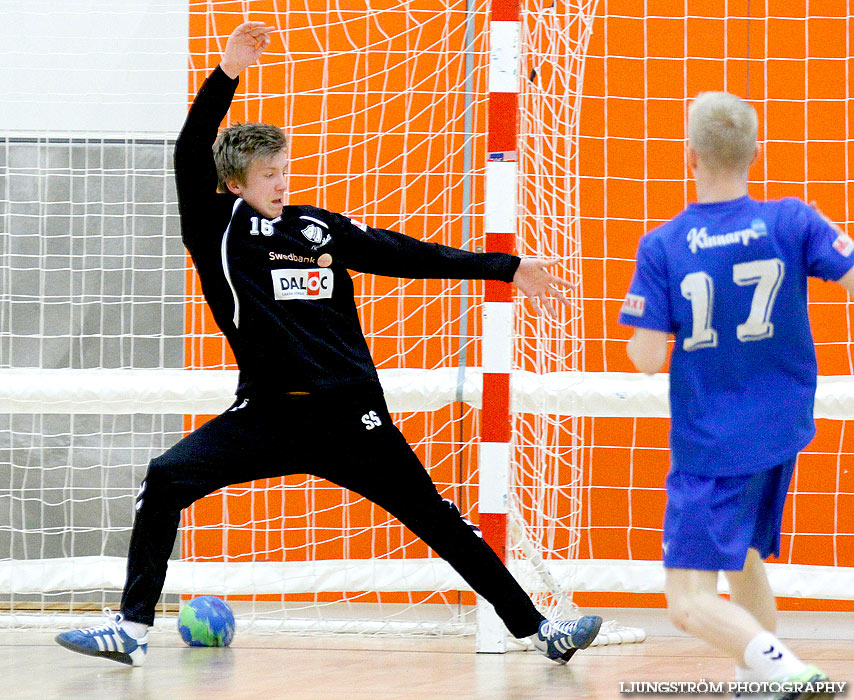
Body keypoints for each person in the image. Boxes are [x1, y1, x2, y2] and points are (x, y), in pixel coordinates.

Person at [55, 21, 601, 667]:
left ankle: (540, 631)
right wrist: (228, 70)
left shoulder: (317, 228)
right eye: (267, 176)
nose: (281, 185)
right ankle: (133, 630)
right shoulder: (217, 229)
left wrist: (504, 268)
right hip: (268, 414)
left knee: (437, 518)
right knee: (165, 478)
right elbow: (189, 149)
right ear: (236, 184)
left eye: (284, 171)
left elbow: (405, 255)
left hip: (350, 414)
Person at [619, 91, 851, 699]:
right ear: (754, 151)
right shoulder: (792, 219)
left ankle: (789, 671)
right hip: (782, 427)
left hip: (712, 441)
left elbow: (645, 360)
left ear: (689, 155)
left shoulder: (663, 245)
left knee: (687, 601)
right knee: (744, 558)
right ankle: (765, 682)